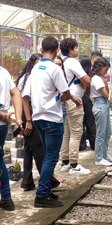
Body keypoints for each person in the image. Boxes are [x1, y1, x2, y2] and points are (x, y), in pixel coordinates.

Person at [23, 36, 82, 208]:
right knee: (50, 157)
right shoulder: (55, 69)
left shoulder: (35, 69)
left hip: (38, 118)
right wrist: (63, 98)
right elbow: (65, 92)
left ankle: (47, 190)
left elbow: (26, 95)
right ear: (57, 50)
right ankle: (41, 195)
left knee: (48, 154)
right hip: (52, 118)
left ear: (41, 50)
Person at [16, 53, 60, 191]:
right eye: (37, 62)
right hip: (29, 114)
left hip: (29, 114)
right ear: (32, 63)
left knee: (29, 148)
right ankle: (47, 181)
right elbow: (24, 99)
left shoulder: (29, 76)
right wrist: (27, 121)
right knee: (38, 148)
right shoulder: (30, 77)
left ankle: (27, 181)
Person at [59, 38, 91, 175]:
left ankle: (65, 162)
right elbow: (87, 80)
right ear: (71, 49)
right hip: (75, 100)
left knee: (67, 131)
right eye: (76, 48)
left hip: (67, 99)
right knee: (76, 132)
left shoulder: (63, 62)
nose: (78, 50)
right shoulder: (72, 62)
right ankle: (74, 165)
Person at [0, 66, 23, 211]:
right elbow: (16, 93)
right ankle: (7, 199)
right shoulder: (3, 71)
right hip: (2, 125)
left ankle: (7, 198)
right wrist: (18, 118)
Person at [90, 57, 112, 166]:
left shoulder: (100, 78)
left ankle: (104, 154)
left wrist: (105, 82)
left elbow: (107, 93)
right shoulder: (96, 78)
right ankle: (99, 158)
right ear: (99, 68)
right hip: (100, 105)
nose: (106, 72)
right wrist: (105, 82)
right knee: (101, 133)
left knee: (107, 132)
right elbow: (106, 94)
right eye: (105, 69)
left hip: (103, 104)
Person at [79, 57, 96, 151]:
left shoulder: (78, 74)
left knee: (80, 123)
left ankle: (81, 145)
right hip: (89, 99)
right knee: (91, 123)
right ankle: (93, 144)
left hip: (80, 98)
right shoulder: (91, 75)